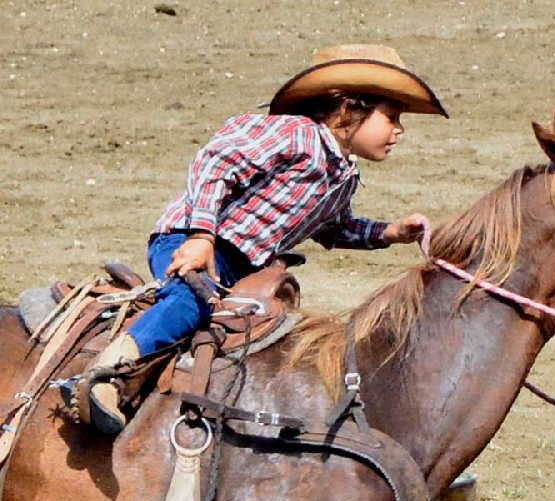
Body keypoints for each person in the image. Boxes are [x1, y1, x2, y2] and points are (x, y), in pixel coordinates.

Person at [63, 43, 448, 434]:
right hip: (195, 241)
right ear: (349, 111)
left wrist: (391, 232)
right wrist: (201, 235)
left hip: (244, 265)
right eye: (391, 117)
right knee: (190, 300)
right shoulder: (296, 134)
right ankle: (106, 374)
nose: (399, 130)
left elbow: (333, 228)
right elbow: (216, 163)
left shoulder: (342, 175)